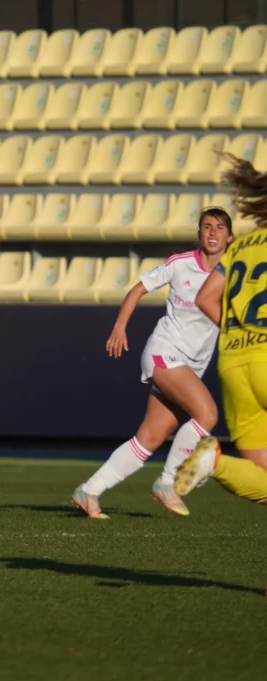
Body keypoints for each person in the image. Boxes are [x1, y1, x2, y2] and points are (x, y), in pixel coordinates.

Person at [72, 208, 233, 519]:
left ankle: (89, 490)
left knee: (148, 440)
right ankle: (168, 482)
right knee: (207, 413)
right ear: (199, 233)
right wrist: (120, 326)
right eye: (207, 227)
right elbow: (138, 289)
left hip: (190, 367)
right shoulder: (180, 264)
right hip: (164, 353)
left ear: (229, 237)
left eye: (220, 228)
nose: (213, 233)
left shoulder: (231, 274)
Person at [176, 158, 267, 504]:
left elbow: (205, 297)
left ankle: (213, 462)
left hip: (234, 365)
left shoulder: (240, 246)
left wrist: (240, 331)